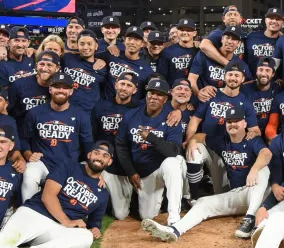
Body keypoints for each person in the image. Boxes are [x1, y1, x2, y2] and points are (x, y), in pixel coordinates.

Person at [143, 105, 270, 241]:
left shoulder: (252, 140)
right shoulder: (223, 141)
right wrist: (192, 141)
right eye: (229, 122)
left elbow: (266, 153)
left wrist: (254, 169)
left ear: (245, 124)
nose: (233, 124)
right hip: (239, 194)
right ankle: (175, 230)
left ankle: (250, 219)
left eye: (236, 121)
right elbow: (200, 136)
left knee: (263, 170)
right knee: (203, 202)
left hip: (260, 194)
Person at [116, 77, 186, 225]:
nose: (154, 97)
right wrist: (131, 172)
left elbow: (173, 150)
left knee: (174, 162)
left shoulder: (172, 118)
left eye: (159, 94)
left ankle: (174, 218)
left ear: (165, 99)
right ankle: (160, 202)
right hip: (144, 173)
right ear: (146, 95)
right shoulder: (131, 115)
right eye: (151, 93)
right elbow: (121, 146)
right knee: (146, 216)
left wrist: (151, 138)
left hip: (161, 167)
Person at [185, 64, 260, 195]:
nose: (233, 78)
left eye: (237, 75)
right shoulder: (211, 95)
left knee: (221, 192)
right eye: (230, 74)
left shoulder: (246, 102)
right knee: (193, 154)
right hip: (206, 143)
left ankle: (207, 181)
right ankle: (193, 195)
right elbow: (195, 120)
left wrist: (251, 134)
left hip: (227, 151)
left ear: (242, 79)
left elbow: (256, 130)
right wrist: (190, 140)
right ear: (224, 76)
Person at [20, 73, 94, 200]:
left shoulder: (81, 115)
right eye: (57, 87)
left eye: (65, 87)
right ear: (50, 89)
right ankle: (29, 209)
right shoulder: (35, 112)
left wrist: (92, 169)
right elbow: (24, 138)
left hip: (68, 165)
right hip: (42, 162)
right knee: (29, 173)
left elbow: (87, 144)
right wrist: (28, 154)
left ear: (71, 91)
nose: (61, 90)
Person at [91, 72, 140, 218]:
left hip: (127, 167)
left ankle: (129, 199)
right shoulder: (101, 106)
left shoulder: (139, 109)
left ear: (135, 90)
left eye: (129, 85)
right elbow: (92, 137)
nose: (124, 88)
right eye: (122, 84)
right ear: (116, 84)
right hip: (106, 166)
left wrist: (178, 112)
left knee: (121, 215)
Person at [188, 26, 250, 98]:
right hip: (205, 100)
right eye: (227, 38)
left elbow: (247, 84)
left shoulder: (240, 64)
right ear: (222, 39)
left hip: (225, 103)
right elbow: (192, 78)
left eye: (234, 39)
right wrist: (198, 94)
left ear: (239, 43)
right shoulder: (204, 55)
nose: (229, 41)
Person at [61, 30, 109, 116]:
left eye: (89, 44)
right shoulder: (67, 58)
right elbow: (47, 50)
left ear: (96, 46)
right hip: (66, 112)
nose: (85, 47)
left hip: (89, 114)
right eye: (82, 44)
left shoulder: (102, 67)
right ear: (77, 46)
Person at [7, 51, 60, 124]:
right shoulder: (19, 84)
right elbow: (7, 111)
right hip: (21, 129)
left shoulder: (60, 88)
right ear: (36, 66)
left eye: (49, 65)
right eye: (41, 64)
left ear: (57, 68)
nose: (44, 68)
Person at [103, 26, 154, 99]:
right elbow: (87, 57)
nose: (132, 42)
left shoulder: (147, 70)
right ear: (124, 41)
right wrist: (100, 59)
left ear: (142, 43)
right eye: (129, 39)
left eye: (136, 39)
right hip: (106, 106)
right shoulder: (112, 55)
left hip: (129, 108)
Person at [242, 57, 281, 137]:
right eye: (261, 70)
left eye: (267, 70)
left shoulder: (278, 88)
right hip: (251, 133)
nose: (263, 74)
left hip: (272, 133)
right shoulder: (244, 88)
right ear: (256, 71)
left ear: (273, 74)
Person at [158, 18, 198, 84]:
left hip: (194, 92)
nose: (185, 32)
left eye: (188, 30)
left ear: (194, 33)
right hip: (173, 92)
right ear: (177, 32)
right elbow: (162, 76)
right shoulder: (167, 51)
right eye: (182, 30)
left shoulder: (199, 52)